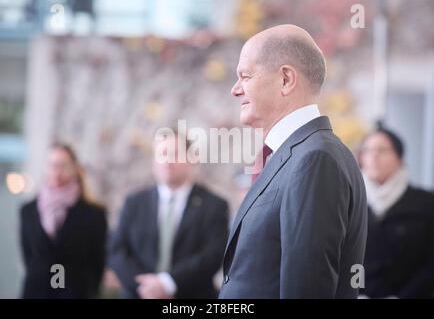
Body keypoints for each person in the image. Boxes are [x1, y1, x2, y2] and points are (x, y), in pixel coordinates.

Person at [218, 24, 368, 299]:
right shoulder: (299, 154)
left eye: (245, 76)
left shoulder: (315, 159)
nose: (235, 89)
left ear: (286, 79)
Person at [108, 132, 229, 299]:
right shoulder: (134, 203)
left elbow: (214, 254)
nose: (168, 161)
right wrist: (146, 286)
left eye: (175, 154)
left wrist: (167, 283)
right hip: (138, 294)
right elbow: (117, 251)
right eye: (163, 154)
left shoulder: (214, 205)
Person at [20, 143, 107, 298]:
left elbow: (97, 262)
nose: (56, 171)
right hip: (36, 292)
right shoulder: (28, 211)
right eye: (51, 165)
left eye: (62, 165)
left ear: (74, 168)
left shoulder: (94, 214)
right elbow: (28, 256)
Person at [358, 128, 434, 298]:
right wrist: (355, 292)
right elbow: (342, 259)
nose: (374, 156)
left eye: (382, 150)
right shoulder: (349, 201)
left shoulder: (426, 203)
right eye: (368, 150)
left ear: (400, 158)